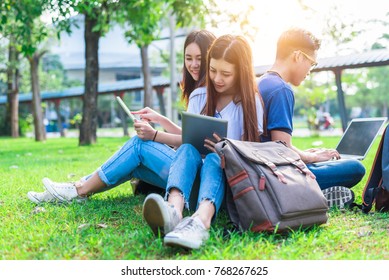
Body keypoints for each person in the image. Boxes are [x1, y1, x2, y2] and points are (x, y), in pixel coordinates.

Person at [26, 30, 217, 204]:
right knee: (133, 166)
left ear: (211, 58)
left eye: (200, 58)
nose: (193, 64)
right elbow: (193, 136)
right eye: (188, 58)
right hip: (194, 179)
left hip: (196, 178)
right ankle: (73, 190)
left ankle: (76, 190)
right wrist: (161, 120)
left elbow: (195, 142)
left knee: (138, 145)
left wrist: (154, 135)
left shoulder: (203, 93)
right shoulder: (203, 91)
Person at [142, 34, 264, 249]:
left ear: (241, 72)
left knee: (214, 159)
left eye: (226, 73)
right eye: (213, 70)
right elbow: (187, 140)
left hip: (227, 180)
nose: (217, 78)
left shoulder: (251, 102)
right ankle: (173, 211)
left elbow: (255, 151)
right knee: (188, 146)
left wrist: (227, 149)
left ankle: (201, 221)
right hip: (193, 177)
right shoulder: (199, 96)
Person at [257, 27, 365, 208]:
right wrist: (312, 157)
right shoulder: (281, 89)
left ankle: (316, 192)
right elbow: (281, 150)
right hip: (280, 176)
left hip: (264, 170)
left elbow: (272, 142)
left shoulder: (262, 81)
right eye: (312, 63)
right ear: (298, 56)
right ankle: (308, 195)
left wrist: (309, 155)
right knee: (355, 168)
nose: (310, 70)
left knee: (326, 161)